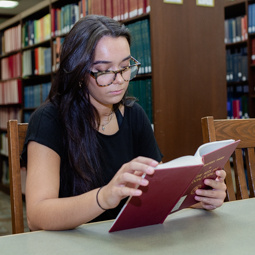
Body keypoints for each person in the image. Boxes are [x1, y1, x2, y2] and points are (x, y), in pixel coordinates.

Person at [21, 15, 226, 231]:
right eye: (105, 70)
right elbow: (37, 216)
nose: (119, 80)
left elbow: (155, 194)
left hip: (127, 239)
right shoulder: (49, 120)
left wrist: (199, 198)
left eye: (125, 66)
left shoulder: (133, 115)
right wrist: (105, 197)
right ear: (79, 72)